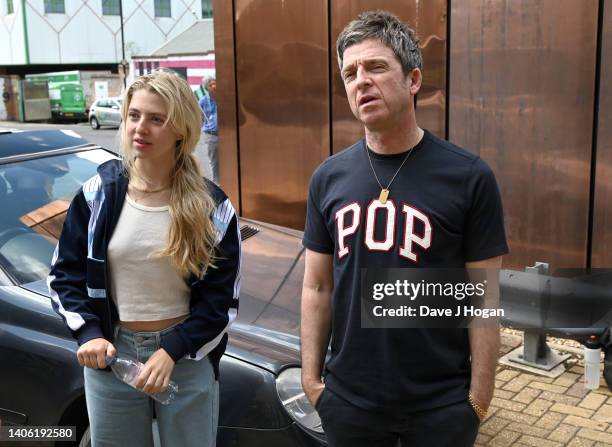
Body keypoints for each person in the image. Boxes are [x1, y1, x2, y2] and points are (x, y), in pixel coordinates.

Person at [301, 10, 507, 447]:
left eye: (376, 67)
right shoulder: (328, 178)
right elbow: (317, 287)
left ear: (413, 80)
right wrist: (312, 381)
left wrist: (479, 397)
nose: (361, 81)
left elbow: (482, 293)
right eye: (350, 72)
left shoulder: (468, 176)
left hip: (440, 405)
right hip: (349, 402)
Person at [48, 69, 241, 447]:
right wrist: (88, 332)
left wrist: (173, 350)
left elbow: (223, 301)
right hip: (112, 357)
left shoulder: (211, 206)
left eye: (157, 119)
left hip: (185, 359)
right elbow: (63, 276)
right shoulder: (97, 193)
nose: (141, 127)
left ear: (181, 130)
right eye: (134, 115)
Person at [199, 76, 219, 184]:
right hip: (211, 135)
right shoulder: (203, 101)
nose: (214, 86)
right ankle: (217, 185)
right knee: (215, 162)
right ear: (207, 88)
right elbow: (200, 118)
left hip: (226, 134)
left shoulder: (222, 98)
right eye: (211, 85)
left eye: (215, 83)